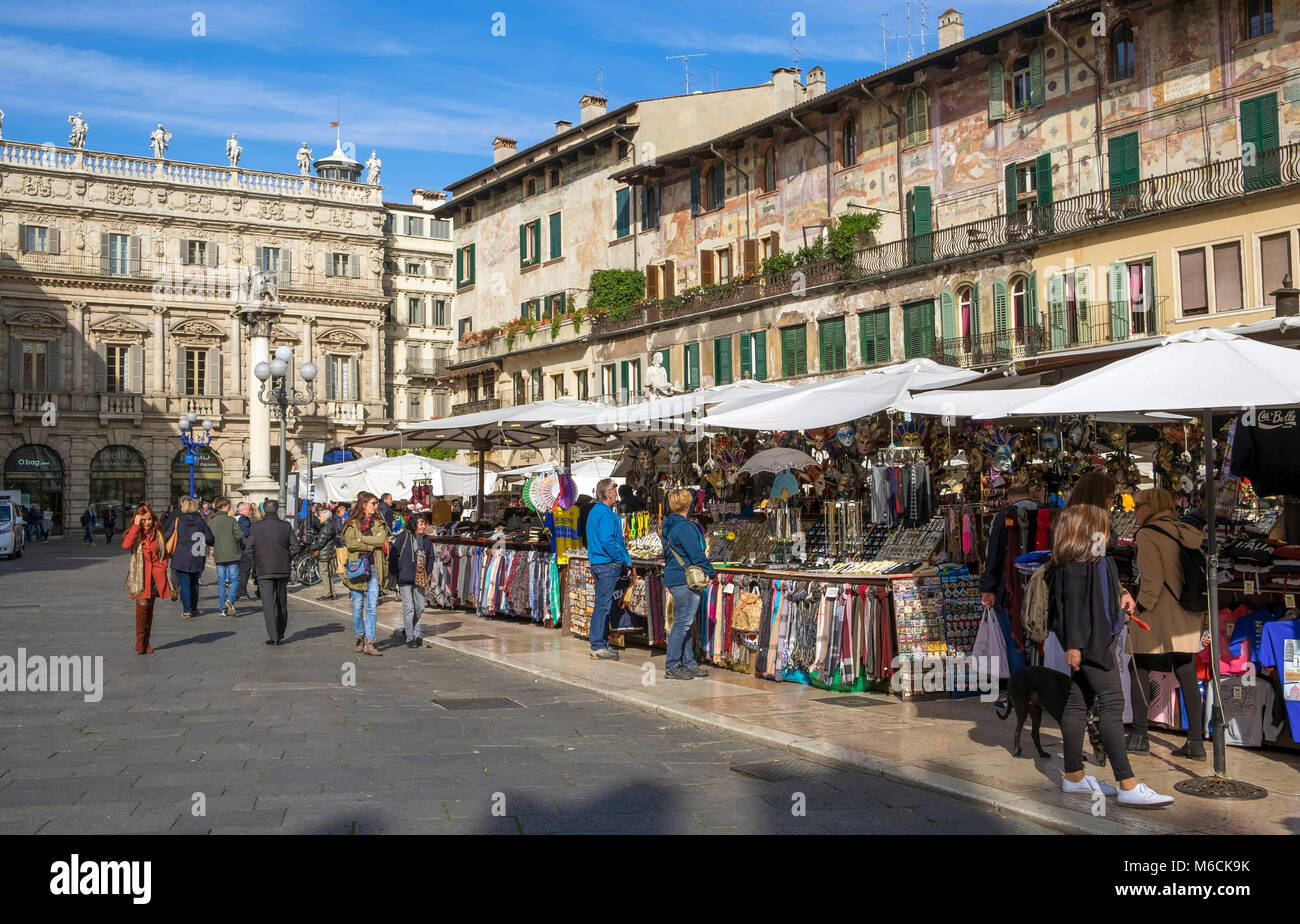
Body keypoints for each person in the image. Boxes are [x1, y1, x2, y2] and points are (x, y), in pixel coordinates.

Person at [1050, 503, 1173, 808]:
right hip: (1091, 645)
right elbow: (1074, 607)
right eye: (1102, 526)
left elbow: (1092, 597)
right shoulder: (1078, 562)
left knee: (1077, 702)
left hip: (1092, 641)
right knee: (1112, 703)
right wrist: (1075, 647)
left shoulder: (1090, 558)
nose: (1108, 531)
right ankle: (1127, 783)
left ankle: (1074, 776)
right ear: (1088, 530)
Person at [1125, 488, 1209, 760]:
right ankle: (1195, 743)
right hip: (1186, 611)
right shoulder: (1185, 531)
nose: (1134, 511)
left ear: (1151, 507)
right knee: (1185, 669)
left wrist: (1139, 608)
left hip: (1157, 611)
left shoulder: (1147, 534)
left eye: (1138, 506)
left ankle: (1139, 735)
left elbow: (1152, 580)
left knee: (1138, 665)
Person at [979, 484, 1038, 675]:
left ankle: (1019, 692)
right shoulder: (1045, 513)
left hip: (1009, 590)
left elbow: (994, 555)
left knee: (1014, 640)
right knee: (1039, 641)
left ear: (1009, 499)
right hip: (1041, 589)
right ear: (1029, 495)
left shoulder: (1004, 516)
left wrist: (988, 588)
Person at [661, 488, 716, 680]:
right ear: (688, 505)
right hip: (685, 578)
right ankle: (673, 664)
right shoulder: (684, 528)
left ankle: (688, 662)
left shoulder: (667, 525)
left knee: (685, 622)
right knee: (682, 624)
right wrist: (710, 572)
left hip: (675, 577)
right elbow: (697, 554)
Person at [585, 478, 632, 661]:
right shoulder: (604, 513)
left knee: (602, 605)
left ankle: (601, 644)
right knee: (603, 607)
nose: (616, 493)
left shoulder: (596, 511)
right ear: (609, 493)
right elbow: (607, 540)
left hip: (599, 564)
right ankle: (597, 645)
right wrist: (620, 559)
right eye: (614, 489)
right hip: (606, 565)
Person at [246, 499, 299, 645]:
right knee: (281, 601)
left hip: (263, 569)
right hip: (282, 568)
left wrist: (256, 562)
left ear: (264, 511)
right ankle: (280, 632)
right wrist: (286, 556)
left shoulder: (256, 527)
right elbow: (296, 546)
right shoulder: (285, 526)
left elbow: (248, 549)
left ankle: (274, 636)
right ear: (277, 510)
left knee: (269, 604)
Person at [341, 492, 388, 656]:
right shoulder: (351, 524)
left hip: (374, 569)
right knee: (357, 606)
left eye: (376, 504)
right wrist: (369, 544)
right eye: (373, 503)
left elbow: (381, 541)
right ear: (364, 504)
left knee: (372, 608)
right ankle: (359, 637)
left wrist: (362, 540)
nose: (376, 506)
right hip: (357, 569)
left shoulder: (380, 523)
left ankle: (370, 642)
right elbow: (351, 544)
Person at [121, 504, 171, 655]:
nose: (147, 522)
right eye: (144, 520)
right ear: (139, 520)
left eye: (149, 519)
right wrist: (136, 526)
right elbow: (126, 545)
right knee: (142, 609)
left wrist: (162, 565)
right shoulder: (135, 533)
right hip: (140, 577)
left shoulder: (158, 534)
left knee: (150, 610)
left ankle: (147, 642)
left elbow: (164, 553)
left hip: (155, 576)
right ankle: (140, 641)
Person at [164, 496, 214, 619]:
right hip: (197, 554)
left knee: (185, 584)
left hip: (181, 555)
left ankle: (187, 610)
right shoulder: (201, 521)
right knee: (194, 583)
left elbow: (167, 535)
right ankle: (194, 608)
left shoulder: (178, 520)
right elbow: (209, 538)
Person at [389, 512, 433, 649]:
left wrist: (428, 571)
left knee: (420, 606)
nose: (423, 526)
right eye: (421, 523)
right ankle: (409, 637)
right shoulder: (403, 537)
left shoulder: (426, 540)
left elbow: (431, 556)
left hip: (419, 578)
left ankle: (407, 629)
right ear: (414, 524)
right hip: (404, 577)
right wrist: (396, 572)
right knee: (408, 608)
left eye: (424, 523)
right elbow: (393, 555)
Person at [207, 497, 245, 618]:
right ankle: (230, 600)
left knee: (221, 582)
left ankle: (222, 609)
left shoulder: (211, 522)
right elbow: (239, 535)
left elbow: (208, 538)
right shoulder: (231, 520)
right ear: (223, 507)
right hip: (232, 553)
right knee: (235, 579)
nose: (230, 508)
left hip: (219, 553)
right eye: (228, 506)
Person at [307, 506, 340, 601]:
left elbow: (321, 542)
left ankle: (327, 594)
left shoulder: (327, 527)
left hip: (324, 553)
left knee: (324, 574)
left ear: (325, 517)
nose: (319, 518)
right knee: (328, 573)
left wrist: (312, 548)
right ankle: (331, 593)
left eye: (320, 516)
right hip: (327, 552)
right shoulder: (328, 525)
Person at [235, 502, 256, 600]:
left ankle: (237, 592)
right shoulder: (244, 520)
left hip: (236, 550)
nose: (250, 512)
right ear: (243, 510)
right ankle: (242, 593)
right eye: (248, 510)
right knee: (244, 572)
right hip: (244, 550)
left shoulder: (235, 518)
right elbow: (246, 533)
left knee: (238, 573)